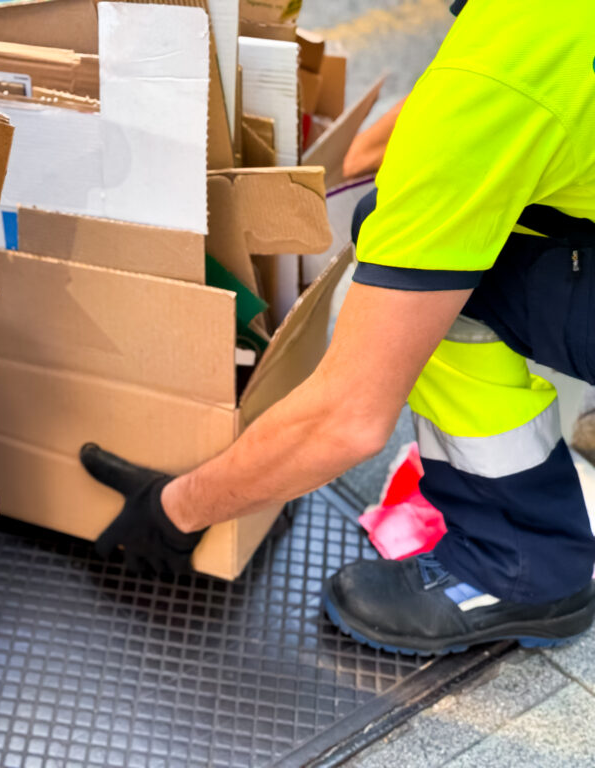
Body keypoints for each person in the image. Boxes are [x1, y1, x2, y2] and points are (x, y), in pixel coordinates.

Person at [79, 0, 595, 655]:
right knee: (411, 224)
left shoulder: (493, 84)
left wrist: (176, 509)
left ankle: (517, 566)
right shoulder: (531, 36)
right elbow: (410, 134)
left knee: (448, 284)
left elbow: (348, 419)